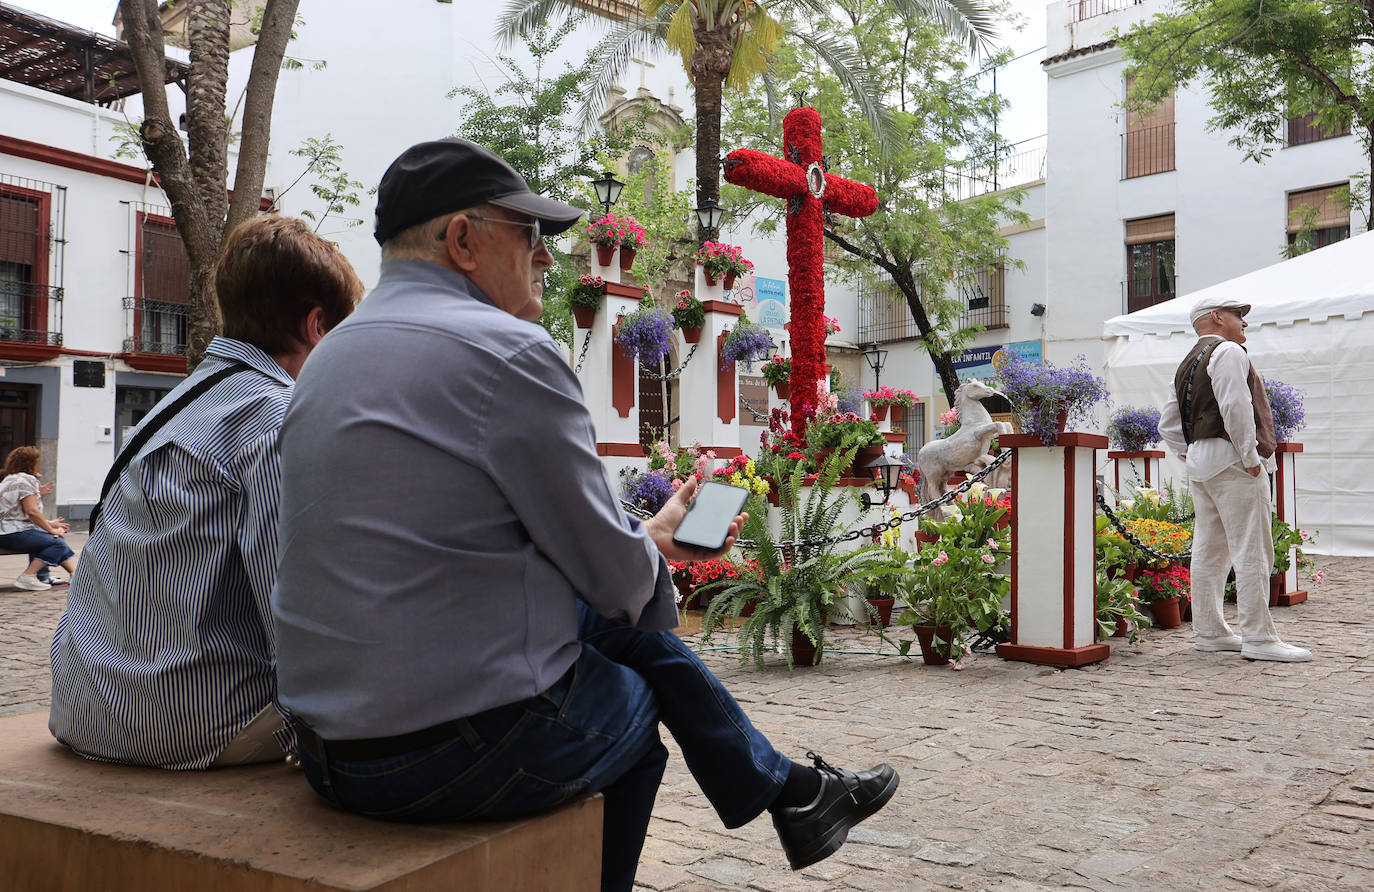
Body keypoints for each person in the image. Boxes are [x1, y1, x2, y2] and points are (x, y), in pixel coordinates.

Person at [271, 138, 898, 892]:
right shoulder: (508, 353)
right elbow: (613, 580)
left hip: (325, 745)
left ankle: (793, 793)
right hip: (432, 755)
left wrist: (644, 544)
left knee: (614, 635)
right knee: (635, 713)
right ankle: (786, 795)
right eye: (530, 235)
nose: (545, 256)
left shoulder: (329, 359)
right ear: (463, 240)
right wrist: (654, 562)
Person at [48, 215, 364, 769]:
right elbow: (295, 604)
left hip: (85, 708)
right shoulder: (277, 415)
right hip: (192, 726)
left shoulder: (177, 404)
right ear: (318, 325)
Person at [1158, 296, 1311, 662]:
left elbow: (1167, 423)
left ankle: (1210, 631)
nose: (1244, 323)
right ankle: (1258, 637)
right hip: (1233, 463)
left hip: (1203, 465)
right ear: (1216, 317)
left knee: (1210, 551)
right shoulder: (1227, 351)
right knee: (1252, 548)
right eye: (1237, 315)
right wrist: (1250, 456)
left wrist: (1190, 452)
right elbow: (1235, 406)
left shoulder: (1187, 362)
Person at [0, 446, 76, 590]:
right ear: (32, 463)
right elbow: (32, 512)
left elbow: (17, 514)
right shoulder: (27, 480)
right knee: (56, 542)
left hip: (5, 532)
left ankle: (53, 576)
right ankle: (27, 576)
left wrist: (50, 524)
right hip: (11, 533)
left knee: (44, 538)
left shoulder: (10, 479)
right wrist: (52, 530)